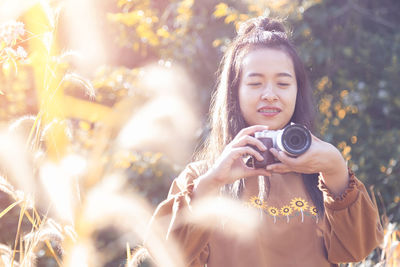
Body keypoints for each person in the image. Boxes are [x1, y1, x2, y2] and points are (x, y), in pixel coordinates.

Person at [144, 16, 383, 267]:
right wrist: (214, 181)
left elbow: (358, 250)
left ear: (297, 91)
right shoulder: (202, 177)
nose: (270, 95)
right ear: (235, 92)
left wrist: (336, 168)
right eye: (255, 83)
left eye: (282, 83)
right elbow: (165, 256)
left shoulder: (319, 171)